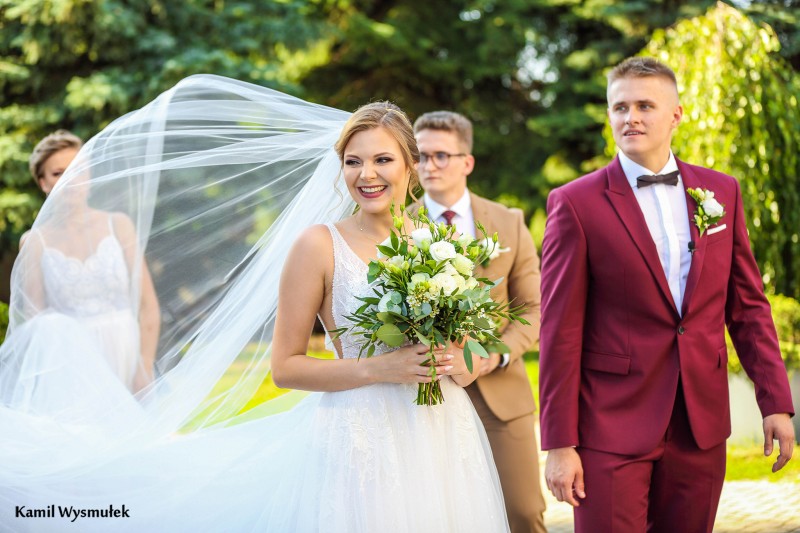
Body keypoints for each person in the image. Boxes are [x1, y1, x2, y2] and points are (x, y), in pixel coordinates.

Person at [0, 79, 509, 532]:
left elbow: (463, 356)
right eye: (353, 161)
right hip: (362, 435)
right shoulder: (318, 244)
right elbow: (285, 367)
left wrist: (457, 359)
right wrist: (380, 367)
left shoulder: (440, 244)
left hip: (440, 429)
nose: (366, 174)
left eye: (382, 160)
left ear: (411, 166)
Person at [539, 56, 795, 533]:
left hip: (700, 425)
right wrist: (559, 443)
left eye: (644, 106)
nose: (630, 117)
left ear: (676, 114)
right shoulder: (575, 203)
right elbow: (559, 331)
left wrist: (775, 402)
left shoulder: (721, 192)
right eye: (620, 107)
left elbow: (747, 308)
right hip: (609, 424)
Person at [411, 111, 547, 532]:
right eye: (421, 156)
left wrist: (492, 356)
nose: (429, 166)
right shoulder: (397, 225)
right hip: (421, 397)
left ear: (467, 162)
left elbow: (534, 308)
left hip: (499, 395)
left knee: (524, 513)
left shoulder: (508, 221)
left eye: (441, 156)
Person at [19, 130, 160, 392]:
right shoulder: (34, 242)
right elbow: (35, 319)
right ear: (43, 183)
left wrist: (144, 366)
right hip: (70, 366)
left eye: (78, 170)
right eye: (58, 173)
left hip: (125, 355)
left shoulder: (119, 225)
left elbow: (148, 305)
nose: (70, 180)